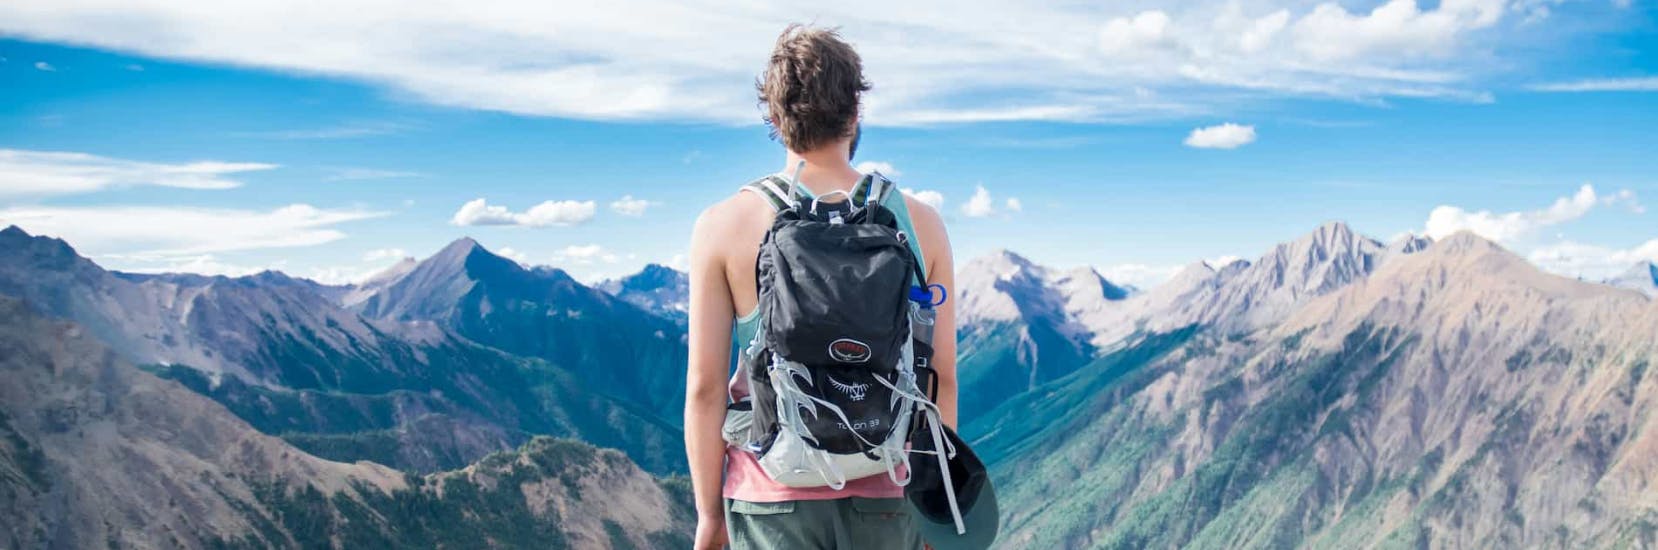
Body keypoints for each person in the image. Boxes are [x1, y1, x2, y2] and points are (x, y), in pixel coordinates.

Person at [685, 24, 959, 550]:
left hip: (770, 500)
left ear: (774, 116)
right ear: (856, 112)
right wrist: (937, 507)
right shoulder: (920, 223)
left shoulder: (722, 225)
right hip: (888, 495)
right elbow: (939, 379)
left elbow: (704, 389)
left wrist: (709, 516)